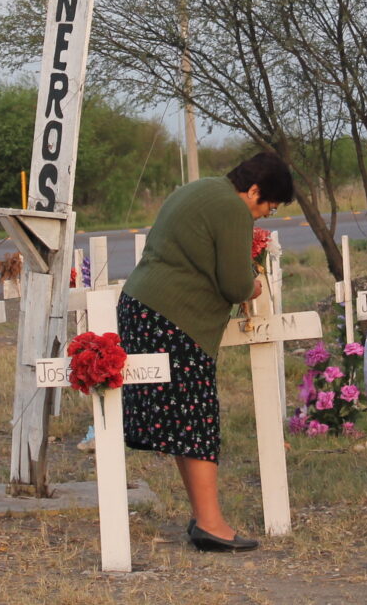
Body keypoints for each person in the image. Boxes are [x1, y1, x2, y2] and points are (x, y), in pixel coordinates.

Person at [117, 151, 294, 553]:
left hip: (141, 307)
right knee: (197, 418)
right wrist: (253, 286)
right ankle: (212, 524)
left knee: (184, 421)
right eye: (269, 205)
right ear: (253, 191)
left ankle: (203, 518)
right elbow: (234, 283)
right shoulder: (232, 208)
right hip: (172, 318)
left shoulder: (200, 189)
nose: (265, 214)